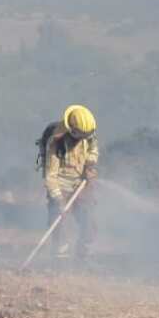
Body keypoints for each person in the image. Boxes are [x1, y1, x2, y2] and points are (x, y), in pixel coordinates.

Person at [40, 104, 99, 259]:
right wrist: (58, 200)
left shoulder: (87, 134)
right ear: (72, 131)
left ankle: (84, 257)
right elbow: (50, 177)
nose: (84, 139)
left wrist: (90, 165)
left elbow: (93, 150)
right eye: (81, 136)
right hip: (60, 187)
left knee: (89, 220)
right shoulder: (56, 143)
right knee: (60, 224)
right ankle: (60, 260)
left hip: (81, 183)